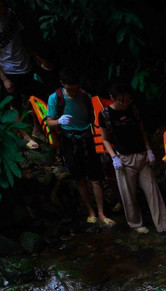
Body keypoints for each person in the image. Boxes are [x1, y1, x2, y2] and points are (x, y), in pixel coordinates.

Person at [99, 82, 166, 234]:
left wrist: (149, 149)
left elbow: (141, 131)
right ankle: (136, 224)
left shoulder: (133, 109)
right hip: (123, 159)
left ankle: (164, 225)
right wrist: (114, 157)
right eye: (121, 100)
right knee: (128, 194)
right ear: (112, 98)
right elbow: (105, 138)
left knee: (153, 192)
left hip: (142, 156)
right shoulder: (105, 114)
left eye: (126, 100)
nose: (125, 103)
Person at [45, 69, 113, 227]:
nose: (74, 92)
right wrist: (59, 121)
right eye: (70, 89)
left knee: (96, 178)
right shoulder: (55, 98)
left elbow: (91, 118)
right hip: (69, 141)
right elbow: (49, 121)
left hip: (86, 138)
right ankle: (91, 212)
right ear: (63, 84)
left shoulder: (85, 96)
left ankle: (102, 213)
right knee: (80, 179)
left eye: (76, 88)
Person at [0, 0, 48, 150]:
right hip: (8, 68)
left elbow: (21, 37)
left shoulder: (10, 13)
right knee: (14, 104)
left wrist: (34, 56)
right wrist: (4, 78)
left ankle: (36, 129)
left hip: (25, 63)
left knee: (33, 98)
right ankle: (25, 136)